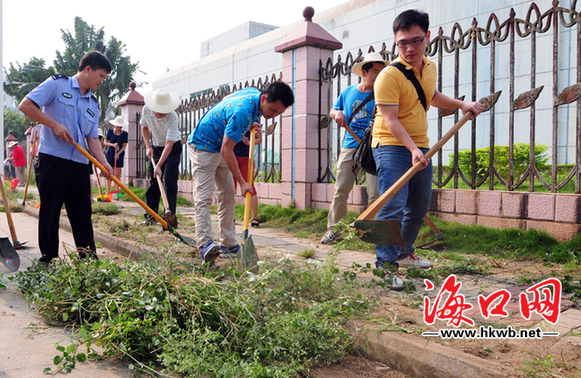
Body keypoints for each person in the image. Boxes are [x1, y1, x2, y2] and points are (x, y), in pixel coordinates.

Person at [372, 9, 484, 290]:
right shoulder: (388, 76)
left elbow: (431, 96)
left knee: (419, 205)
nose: (409, 48)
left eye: (416, 41)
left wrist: (462, 105)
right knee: (393, 206)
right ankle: (385, 266)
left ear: (428, 37)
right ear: (395, 42)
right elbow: (390, 119)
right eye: (402, 43)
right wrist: (412, 149)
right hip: (391, 144)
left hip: (420, 145)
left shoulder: (430, 67)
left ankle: (403, 252)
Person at [18, 50, 113, 265]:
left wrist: (104, 164)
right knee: (50, 211)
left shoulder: (93, 104)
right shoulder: (56, 85)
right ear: (88, 69)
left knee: (82, 213)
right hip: (53, 159)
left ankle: (88, 261)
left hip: (79, 164)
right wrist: (53, 124)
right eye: (101, 76)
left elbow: (93, 139)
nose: (102, 81)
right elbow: (26, 105)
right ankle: (48, 260)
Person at [187, 81, 294, 263]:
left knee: (227, 194)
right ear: (264, 98)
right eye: (273, 110)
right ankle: (204, 244)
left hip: (220, 144)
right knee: (204, 196)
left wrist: (253, 125)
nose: (273, 115)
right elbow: (227, 150)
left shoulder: (253, 95)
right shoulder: (242, 112)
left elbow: (228, 100)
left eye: (279, 113)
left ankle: (228, 243)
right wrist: (244, 182)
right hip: (203, 145)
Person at [320, 52, 387, 245]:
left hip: (375, 147)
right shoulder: (348, 92)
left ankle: (370, 232)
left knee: (375, 193)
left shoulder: (382, 93)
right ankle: (335, 230)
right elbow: (333, 110)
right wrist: (337, 113)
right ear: (364, 72)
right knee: (341, 189)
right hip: (350, 146)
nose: (378, 75)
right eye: (375, 71)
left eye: (381, 71)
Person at [140, 89, 182, 225]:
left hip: (173, 147)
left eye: (163, 111)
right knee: (154, 182)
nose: (160, 114)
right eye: (158, 110)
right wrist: (148, 146)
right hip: (156, 147)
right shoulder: (146, 110)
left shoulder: (173, 117)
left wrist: (159, 165)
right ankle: (150, 217)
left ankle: (169, 217)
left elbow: (169, 145)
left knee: (169, 182)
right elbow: (144, 128)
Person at [233, 126, 263, 227]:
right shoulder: (234, 115)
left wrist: (249, 142)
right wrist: (239, 137)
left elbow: (259, 139)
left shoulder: (255, 119)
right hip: (231, 156)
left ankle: (255, 217)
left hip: (246, 157)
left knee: (249, 186)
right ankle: (229, 216)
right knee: (230, 187)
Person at [104, 115, 129, 194]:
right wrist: (112, 145)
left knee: (117, 174)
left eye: (120, 127)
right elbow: (105, 142)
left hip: (119, 154)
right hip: (110, 153)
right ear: (115, 125)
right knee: (109, 173)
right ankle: (108, 192)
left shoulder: (125, 134)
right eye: (117, 126)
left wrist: (118, 153)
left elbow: (124, 146)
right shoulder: (110, 132)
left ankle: (116, 192)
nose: (119, 128)